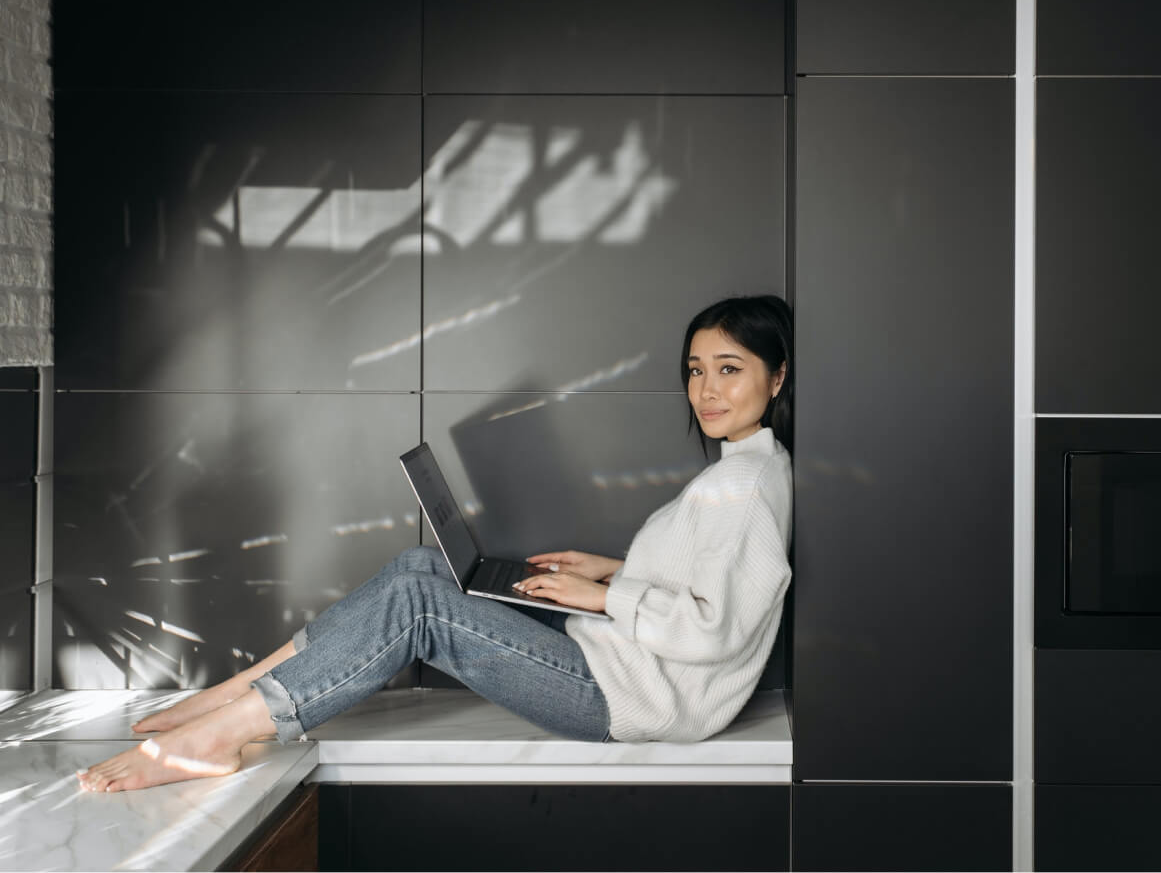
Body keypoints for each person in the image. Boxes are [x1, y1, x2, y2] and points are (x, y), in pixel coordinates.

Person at [77, 295, 795, 792]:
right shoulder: (744, 471)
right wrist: (610, 570)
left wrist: (603, 595)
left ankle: (222, 733)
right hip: (622, 657)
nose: (705, 389)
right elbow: (706, 577)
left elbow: (715, 627)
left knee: (421, 604)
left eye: (729, 369)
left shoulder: (747, 487)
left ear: (778, 374)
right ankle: (237, 696)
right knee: (422, 565)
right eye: (696, 369)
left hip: (632, 697)